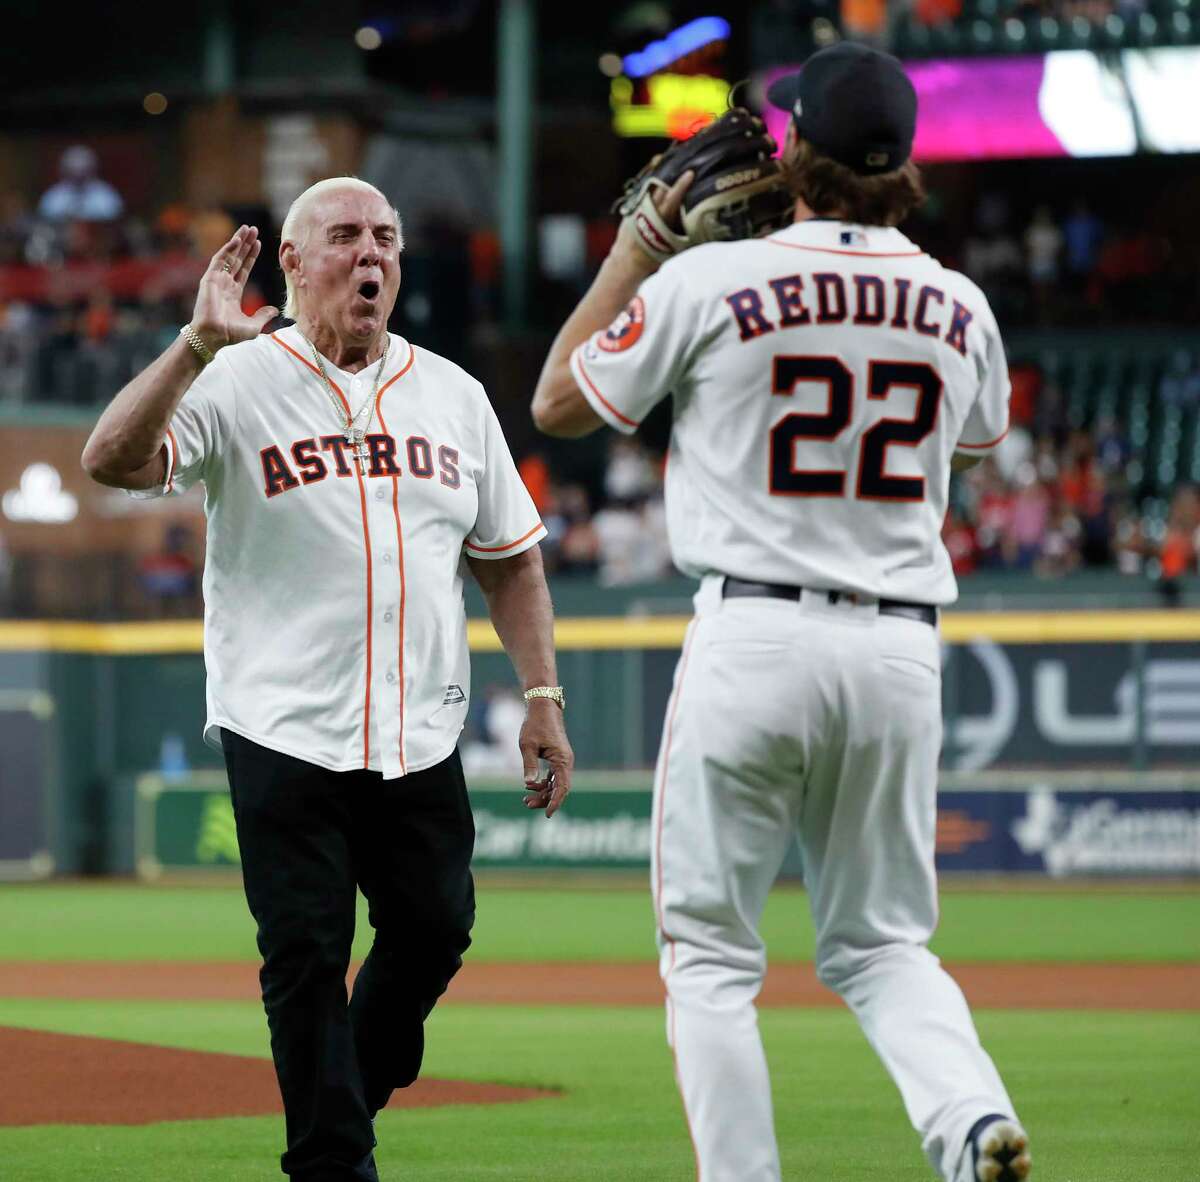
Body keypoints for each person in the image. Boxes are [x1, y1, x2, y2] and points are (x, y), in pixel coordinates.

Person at [532, 43, 1030, 1182]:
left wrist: (640, 249)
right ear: (901, 164)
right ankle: (969, 1122)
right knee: (883, 943)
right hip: (900, 648)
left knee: (710, 958)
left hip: (754, 634)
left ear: (792, 147)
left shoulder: (711, 280)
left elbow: (557, 401)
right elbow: (979, 435)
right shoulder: (961, 305)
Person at [81, 176, 574, 1182]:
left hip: (417, 731)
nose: (372, 256)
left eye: (386, 238)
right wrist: (193, 347)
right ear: (293, 265)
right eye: (344, 237)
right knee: (304, 954)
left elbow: (511, 560)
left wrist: (542, 697)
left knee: (436, 931)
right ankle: (331, 1162)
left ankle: (357, 1065)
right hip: (281, 726)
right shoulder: (233, 376)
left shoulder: (454, 394)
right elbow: (111, 460)